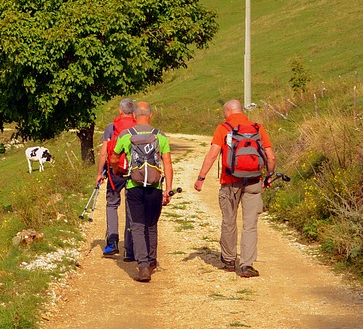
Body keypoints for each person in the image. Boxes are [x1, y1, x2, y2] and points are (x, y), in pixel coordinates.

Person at [193, 99, 276, 278]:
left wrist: (201, 178)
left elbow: (213, 154)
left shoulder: (224, 128)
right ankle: (246, 265)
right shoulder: (257, 128)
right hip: (254, 180)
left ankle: (229, 260)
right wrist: (269, 176)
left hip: (230, 181)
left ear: (229, 112)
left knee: (229, 220)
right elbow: (271, 157)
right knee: (250, 225)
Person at [110, 101, 174, 282]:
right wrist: (168, 189)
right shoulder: (160, 136)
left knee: (137, 226)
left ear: (134, 117)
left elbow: (114, 157)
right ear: (151, 116)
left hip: (134, 186)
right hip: (155, 187)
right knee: (151, 225)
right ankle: (152, 260)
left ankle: (143, 265)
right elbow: (167, 163)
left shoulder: (125, 135)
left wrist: (116, 170)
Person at [94, 98, 137, 259]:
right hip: (134, 173)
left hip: (115, 172)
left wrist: (100, 173)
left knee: (112, 205)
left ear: (120, 111)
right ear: (133, 113)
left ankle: (112, 243)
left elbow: (104, 152)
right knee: (131, 207)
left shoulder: (112, 128)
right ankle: (130, 248)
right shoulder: (137, 128)